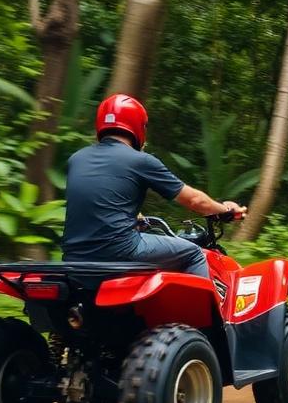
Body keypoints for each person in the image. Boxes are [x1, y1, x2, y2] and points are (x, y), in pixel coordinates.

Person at [61, 93, 246, 279]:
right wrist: (225, 210)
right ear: (138, 126)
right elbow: (195, 200)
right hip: (119, 251)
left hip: (74, 258)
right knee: (194, 254)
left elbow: (97, 200)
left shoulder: (77, 159)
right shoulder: (140, 160)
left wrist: (135, 218)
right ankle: (205, 309)